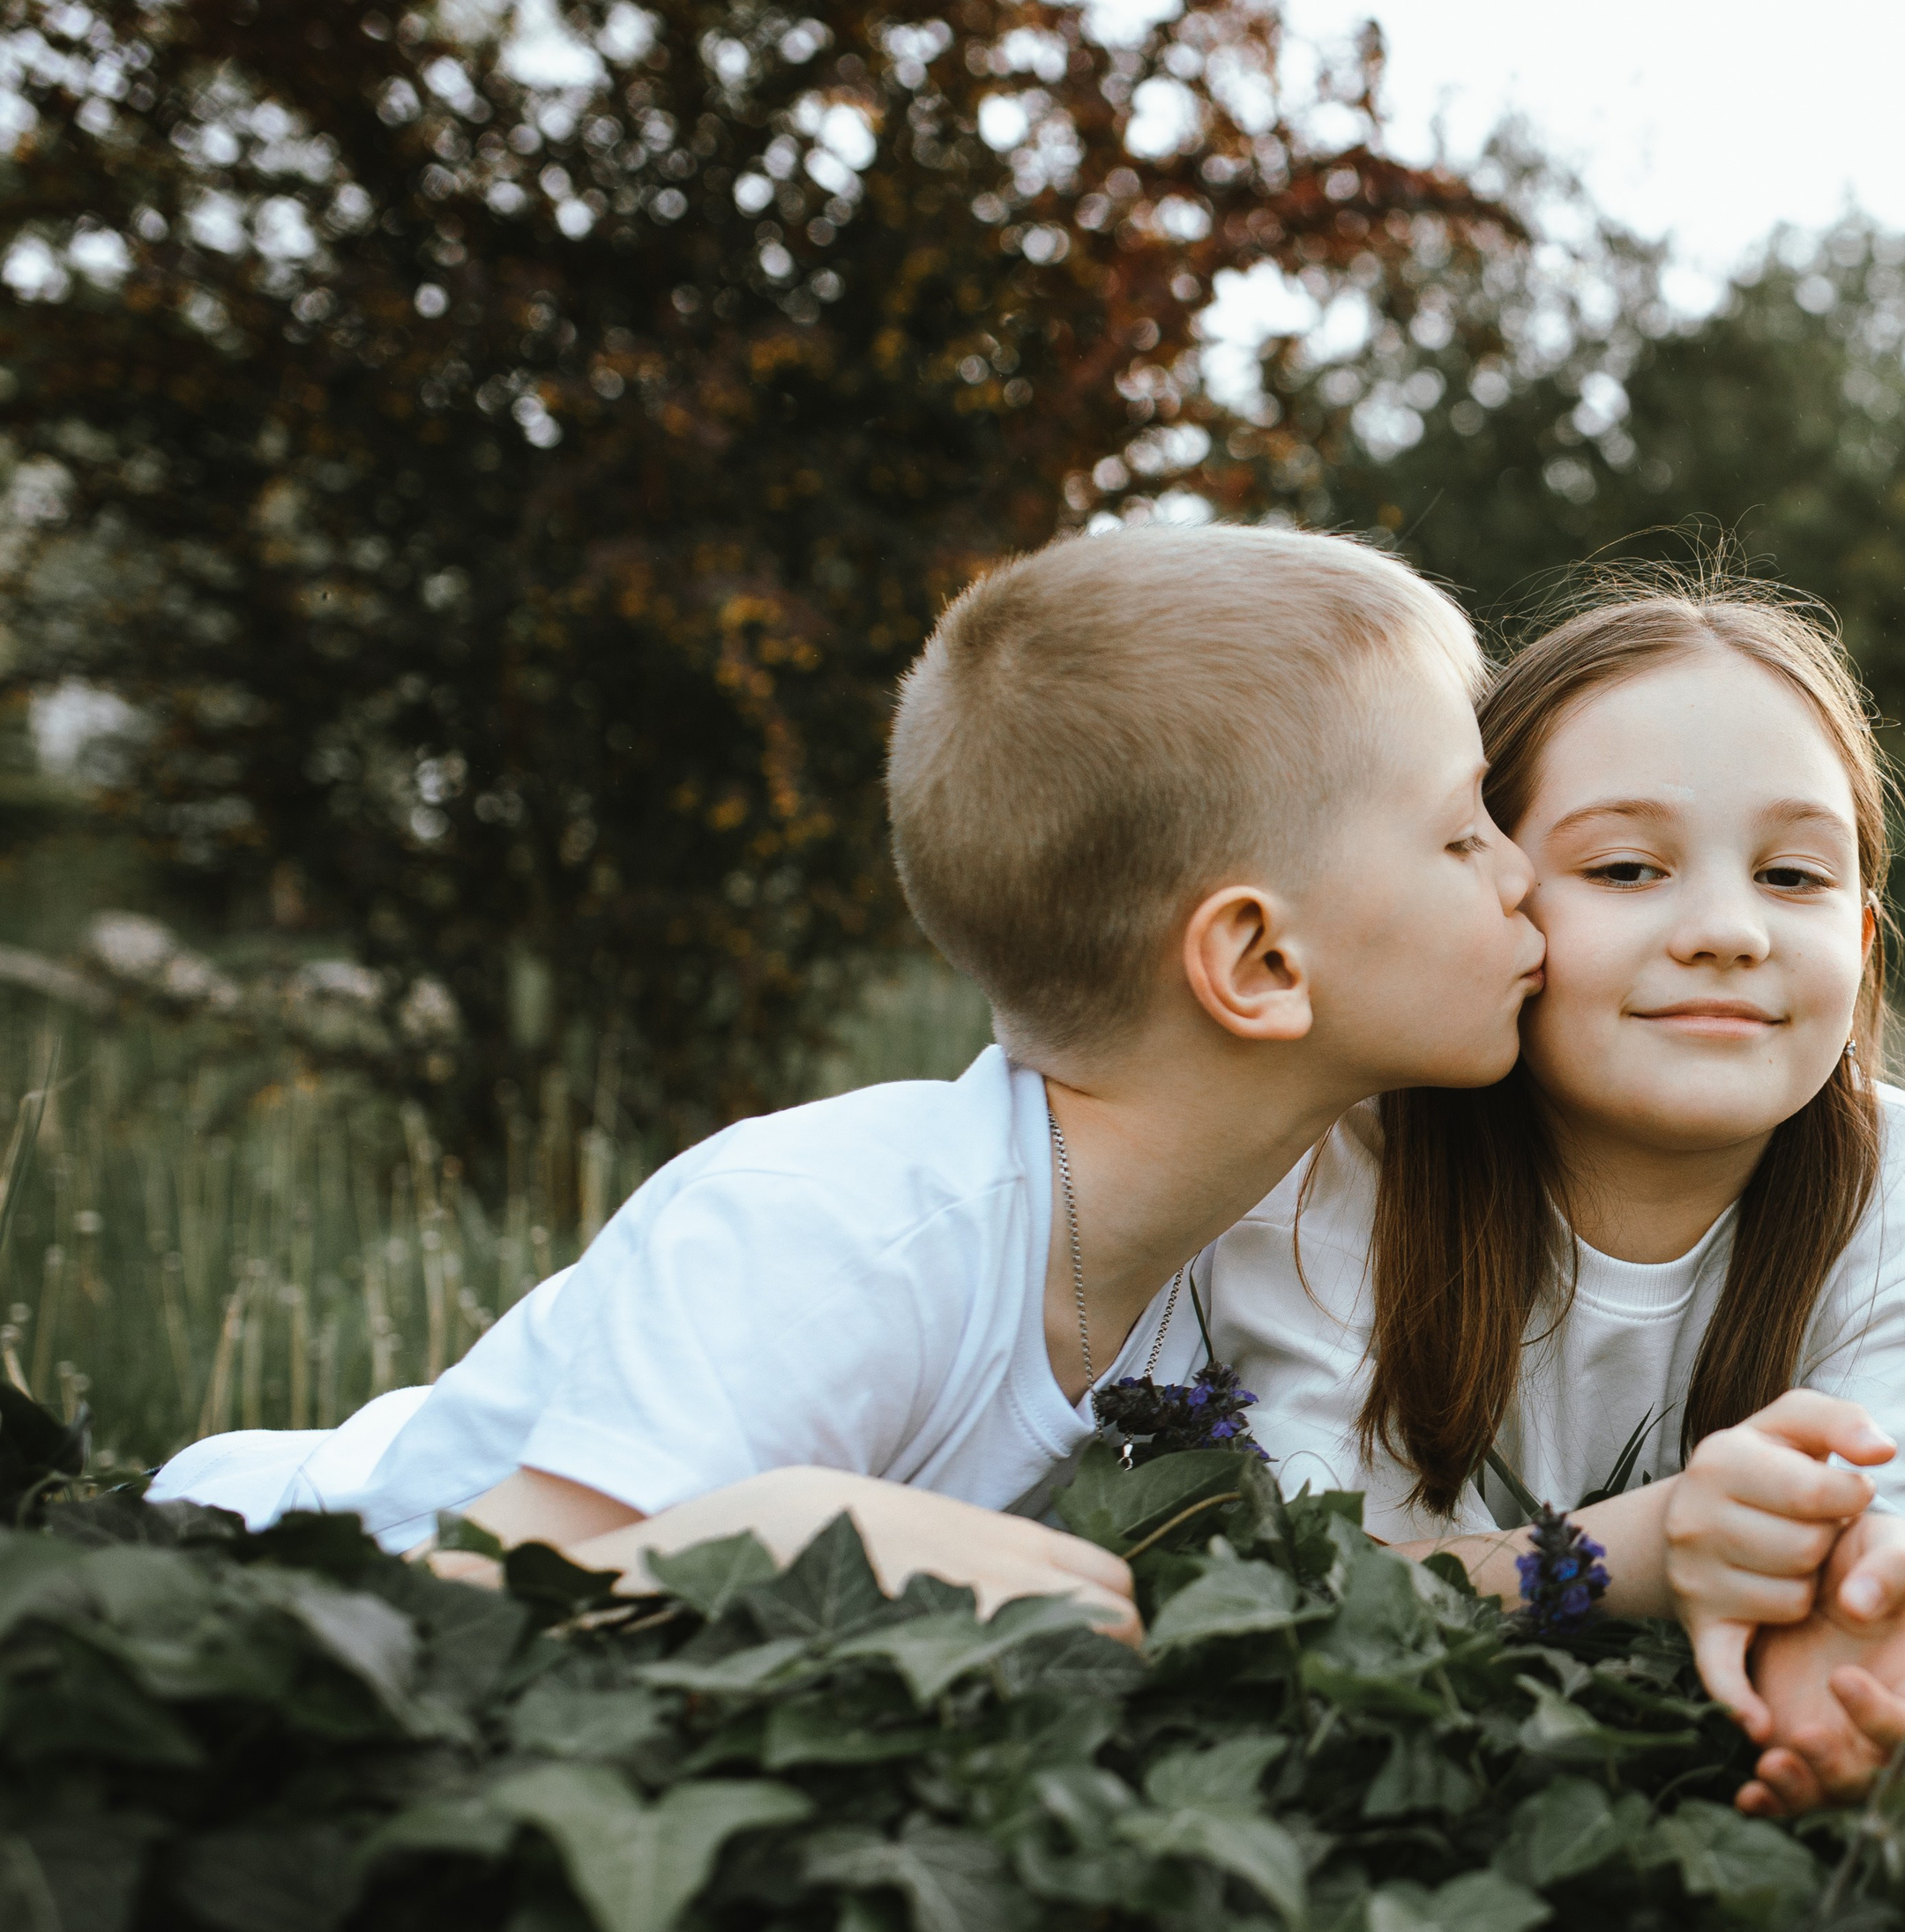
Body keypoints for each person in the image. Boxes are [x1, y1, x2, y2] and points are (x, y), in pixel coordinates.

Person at [152, 522, 1547, 1634]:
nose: (1522, 869)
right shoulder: (837, 1235)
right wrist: (788, 1533)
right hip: (252, 1570)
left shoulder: (1264, 1209)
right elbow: (453, 1603)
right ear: (1255, 962)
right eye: (1462, 833)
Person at [1208, 580, 1905, 1816]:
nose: (1726, 930)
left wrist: (1843, 1655)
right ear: (1492, 901)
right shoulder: (1344, 1168)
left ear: (1865, 936)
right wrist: (1639, 1559)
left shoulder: (1888, 1179)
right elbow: (1305, 1580)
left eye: (1794, 877)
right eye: (1629, 866)